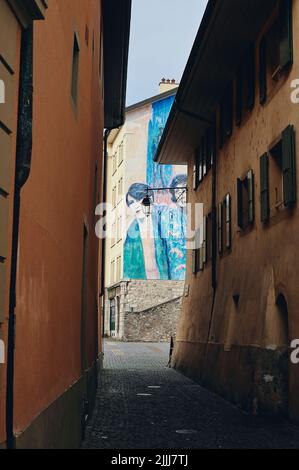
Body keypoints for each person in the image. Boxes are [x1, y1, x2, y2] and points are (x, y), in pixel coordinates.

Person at [124, 183, 170, 280]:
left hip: (164, 282)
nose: (136, 206)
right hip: (140, 285)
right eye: (132, 202)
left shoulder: (163, 224)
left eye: (140, 200)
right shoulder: (131, 232)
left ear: (151, 200)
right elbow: (128, 266)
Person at [161, 175, 187, 280]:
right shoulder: (168, 214)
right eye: (177, 192)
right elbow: (169, 244)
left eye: (184, 191)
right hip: (177, 270)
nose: (182, 196)